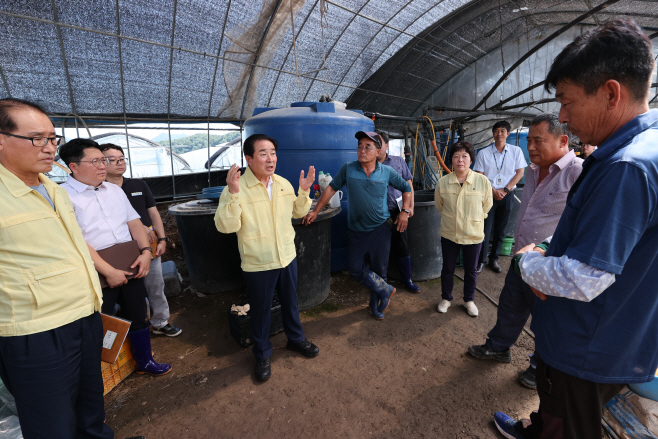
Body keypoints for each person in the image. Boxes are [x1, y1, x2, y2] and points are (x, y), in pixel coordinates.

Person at [494, 18, 658, 439]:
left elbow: (585, 277)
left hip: (585, 349)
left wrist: (529, 261)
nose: (562, 117)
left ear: (610, 93)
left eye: (566, 101)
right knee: (552, 416)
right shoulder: (645, 147)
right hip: (616, 338)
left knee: (565, 423)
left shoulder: (625, 168)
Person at [0, 99, 116, 438]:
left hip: (84, 315)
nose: (50, 148)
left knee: (90, 408)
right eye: (37, 138)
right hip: (36, 332)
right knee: (53, 424)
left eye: (53, 139)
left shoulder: (53, 188)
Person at [468, 113, 582, 389]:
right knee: (510, 305)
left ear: (562, 140)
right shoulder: (532, 169)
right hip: (521, 258)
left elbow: (584, 223)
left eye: (538, 140)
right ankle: (499, 346)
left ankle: (539, 367)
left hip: (550, 266)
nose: (530, 146)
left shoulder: (578, 172)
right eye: (529, 139)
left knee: (546, 320)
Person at [60, 138, 172, 377]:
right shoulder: (62, 196)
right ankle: (97, 376)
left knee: (137, 314)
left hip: (130, 260)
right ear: (73, 166)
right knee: (99, 323)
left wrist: (145, 252)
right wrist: (107, 271)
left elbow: (134, 222)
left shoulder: (113, 190)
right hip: (94, 268)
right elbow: (76, 239)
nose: (103, 166)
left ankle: (144, 361)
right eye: (96, 161)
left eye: (103, 160)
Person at [215, 134, 319, 382]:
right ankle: (262, 353)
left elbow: (297, 211)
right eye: (263, 153)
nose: (270, 158)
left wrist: (304, 191)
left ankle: (296, 339)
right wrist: (231, 193)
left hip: (286, 256)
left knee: (290, 302)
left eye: (273, 152)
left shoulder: (283, 183)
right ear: (249, 159)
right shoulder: (237, 188)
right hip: (258, 262)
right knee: (261, 311)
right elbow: (225, 226)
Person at [304, 131, 412, 320]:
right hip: (357, 231)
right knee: (354, 268)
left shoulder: (387, 172)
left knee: (379, 270)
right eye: (360, 146)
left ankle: (375, 306)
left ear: (378, 150)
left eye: (367, 147)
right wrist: (316, 210)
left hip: (381, 229)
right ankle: (385, 290)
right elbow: (331, 188)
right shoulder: (348, 169)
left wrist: (405, 211)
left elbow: (407, 188)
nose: (362, 150)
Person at [101, 143, 182, 338]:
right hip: (119, 253)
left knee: (155, 285)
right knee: (125, 293)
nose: (119, 163)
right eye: (113, 160)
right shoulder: (99, 191)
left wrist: (162, 239)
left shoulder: (138, 185)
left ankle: (160, 321)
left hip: (148, 246)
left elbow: (153, 213)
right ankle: (129, 328)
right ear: (102, 163)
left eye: (121, 159)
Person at [435, 141, 492, 317]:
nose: (460, 160)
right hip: (450, 233)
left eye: (464, 156)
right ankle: (446, 298)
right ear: (451, 160)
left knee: (471, 270)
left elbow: (487, 206)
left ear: (471, 159)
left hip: (473, 235)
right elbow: (440, 206)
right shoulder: (443, 182)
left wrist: (472, 220)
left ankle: (469, 300)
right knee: (448, 268)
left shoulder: (482, 181)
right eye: (456, 156)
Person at [473, 121, 527, 274]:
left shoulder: (516, 151)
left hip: (507, 194)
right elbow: (480, 176)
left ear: (508, 133)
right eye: (496, 131)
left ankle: (494, 259)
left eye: (503, 131)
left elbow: (520, 173)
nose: (499, 133)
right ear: (493, 133)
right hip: (487, 195)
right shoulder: (484, 153)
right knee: (484, 229)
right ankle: (481, 261)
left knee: (501, 229)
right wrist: (493, 191)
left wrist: (505, 190)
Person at [375, 130, 420, 293]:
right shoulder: (367, 164)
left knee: (403, 245)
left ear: (386, 146)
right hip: (376, 215)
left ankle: (406, 280)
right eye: (373, 143)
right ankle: (380, 284)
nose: (376, 147)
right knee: (379, 249)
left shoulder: (398, 161)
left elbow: (408, 184)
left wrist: (409, 208)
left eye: (379, 143)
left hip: (397, 211)